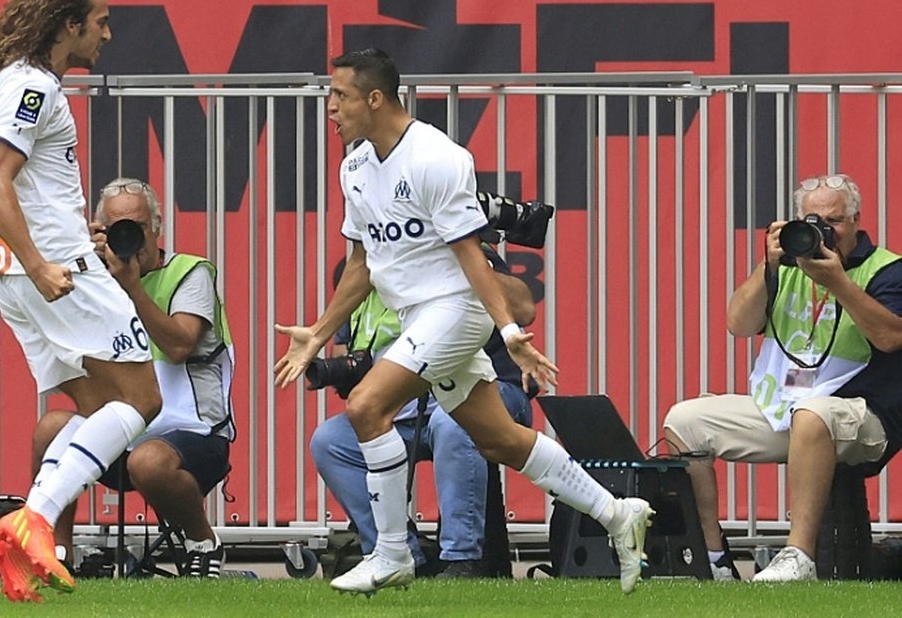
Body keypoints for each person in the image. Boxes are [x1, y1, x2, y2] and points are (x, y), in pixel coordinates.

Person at [274, 48, 654, 595]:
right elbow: (362, 264)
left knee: (366, 406)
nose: (330, 107)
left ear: (375, 99)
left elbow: (473, 255)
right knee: (499, 439)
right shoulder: (354, 166)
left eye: (341, 96)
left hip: (457, 309)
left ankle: (390, 554)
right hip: (419, 317)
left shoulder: (437, 157)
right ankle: (619, 514)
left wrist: (508, 332)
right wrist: (318, 329)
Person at [0, 0, 162, 602]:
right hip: (56, 274)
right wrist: (45, 260)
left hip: (11, 275)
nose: (107, 32)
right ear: (68, 24)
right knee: (144, 399)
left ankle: (28, 531)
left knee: (102, 409)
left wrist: (24, 252)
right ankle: (35, 516)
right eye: (99, 21)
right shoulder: (33, 86)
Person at [663, 173, 902, 582]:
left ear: (857, 221)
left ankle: (799, 556)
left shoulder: (886, 269)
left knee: (812, 414)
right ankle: (715, 559)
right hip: (786, 410)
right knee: (685, 421)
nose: (824, 230)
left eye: (835, 220)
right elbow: (738, 324)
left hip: (864, 418)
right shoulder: (787, 267)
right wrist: (767, 264)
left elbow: (889, 337)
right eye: (813, 220)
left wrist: (839, 283)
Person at [31, 178, 235, 578]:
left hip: (192, 431)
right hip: (123, 426)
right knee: (50, 428)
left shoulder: (189, 273)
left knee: (149, 460)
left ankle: (203, 542)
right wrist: (80, 266)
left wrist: (132, 289)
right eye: (116, 228)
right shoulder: (95, 281)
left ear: (157, 228)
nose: (131, 238)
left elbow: (179, 346)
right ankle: (56, 550)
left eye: (138, 227)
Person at [310, 246, 535, 578]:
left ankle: (462, 560)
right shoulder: (358, 268)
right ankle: (398, 556)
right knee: (330, 441)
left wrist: (470, 265)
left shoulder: (462, 245)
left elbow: (525, 308)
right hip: (404, 407)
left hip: (486, 392)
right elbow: (344, 350)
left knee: (453, 420)